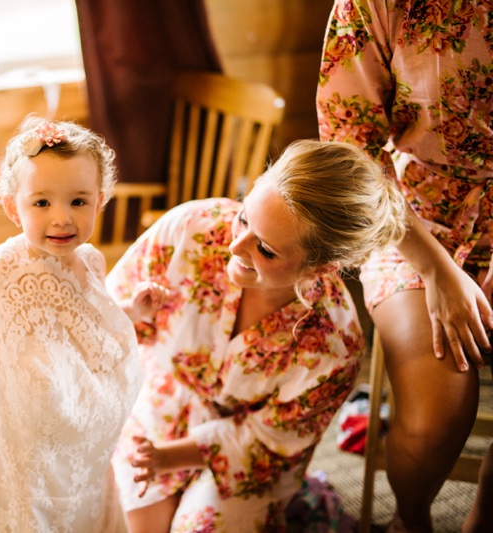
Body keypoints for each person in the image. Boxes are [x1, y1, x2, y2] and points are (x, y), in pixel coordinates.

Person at [106, 139, 410, 532]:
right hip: (161, 406)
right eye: (244, 218)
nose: (234, 246)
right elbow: (108, 320)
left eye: (264, 249)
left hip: (248, 454)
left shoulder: (334, 347)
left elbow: (266, 442)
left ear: (319, 269)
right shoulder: (190, 228)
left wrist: (168, 458)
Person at [0, 116, 160, 532]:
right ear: (14, 207)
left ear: (99, 201)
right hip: (23, 441)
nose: (61, 218)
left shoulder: (92, 260)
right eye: (41, 203)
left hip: (79, 432)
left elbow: (88, 318)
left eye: (78, 201)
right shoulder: (1, 267)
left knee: (80, 501)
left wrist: (133, 310)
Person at [316, 1, 493, 531]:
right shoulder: (370, 4)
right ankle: (409, 520)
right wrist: (438, 271)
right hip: (411, 216)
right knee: (434, 412)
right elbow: (353, 156)